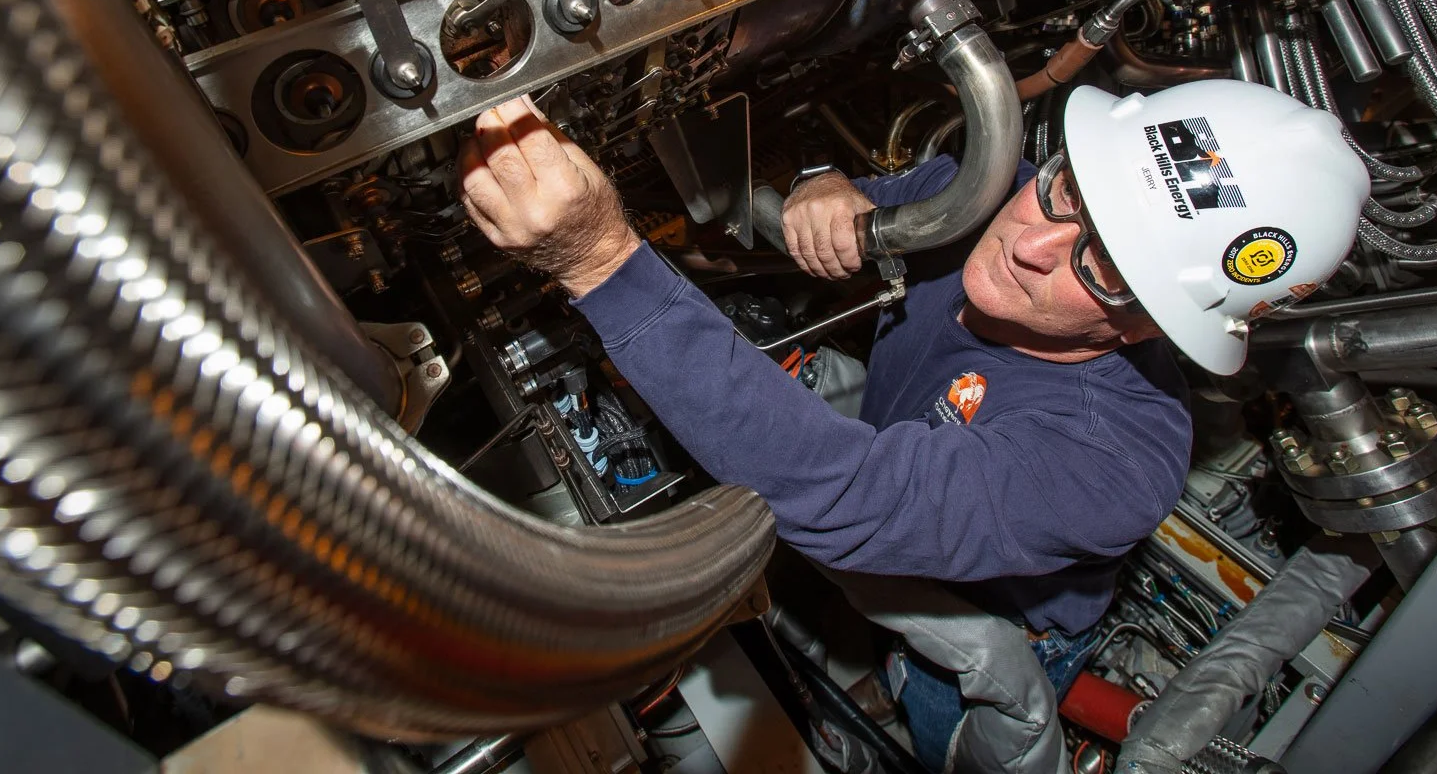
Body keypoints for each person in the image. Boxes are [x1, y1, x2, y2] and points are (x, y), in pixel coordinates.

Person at [458, 79, 1370, 773]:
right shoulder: (981, 201)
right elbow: (861, 193)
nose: (1030, 241)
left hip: (980, 638)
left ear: (1150, 327)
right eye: (1065, 192)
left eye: (1103, 265)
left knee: (940, 738)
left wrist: (602, 263)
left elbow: (845, 495)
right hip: (885, 486)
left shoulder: (1114, 459)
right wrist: (827, 182)